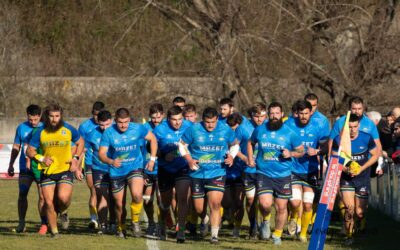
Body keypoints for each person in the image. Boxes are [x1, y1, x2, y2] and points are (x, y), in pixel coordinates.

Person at [179, 107, 239, 244]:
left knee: (215, 203)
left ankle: (214, 235)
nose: (210, 125)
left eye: (212, 122)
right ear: (203, 120)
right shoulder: (194, 129)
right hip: (197, 172)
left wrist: (232, 156)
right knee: (199, 208)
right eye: (207, 122)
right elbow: (181, 145)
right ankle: (205, 218)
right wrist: (189, 159)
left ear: (217, 119)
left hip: (217, 172)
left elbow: (235, 144)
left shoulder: (225, 129)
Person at [247, 102, 304, 245]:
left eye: (276, 113)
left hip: (283, 175)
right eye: (271, 113)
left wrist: (290, 153)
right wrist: (250, 158)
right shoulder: (260, 130)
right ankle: (265, 220)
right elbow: (250, 143)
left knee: (281, 207)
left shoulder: (290, 132)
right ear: (268, 114)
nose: (273, 116)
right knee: (265, 204)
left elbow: (301, 151)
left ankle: (277, 234)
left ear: (282, 114)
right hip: (263, 172)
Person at [98, 108, 157, 238]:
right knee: (119, 205)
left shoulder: (138, 129)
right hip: (117, 171)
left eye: (125, 122)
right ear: (115, 121)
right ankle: (121, 227)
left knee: (137, 195)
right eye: (120, 122)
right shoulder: (108, 133)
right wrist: (110, 161)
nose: (123, 125)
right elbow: (101, 153)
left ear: (129, 119)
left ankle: (135, 222)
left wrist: (152, 160)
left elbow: (153, 139)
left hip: (134, 167)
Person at [27, 104, 84, 238]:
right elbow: (29, 150)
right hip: (47, 172)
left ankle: (63, 211)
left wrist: (75, 158)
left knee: (63, 198)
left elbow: (80, 142)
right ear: (47, 116)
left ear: (61, 116)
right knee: (48, 202)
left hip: (65, 169)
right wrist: (41, 158)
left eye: (57, 116)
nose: (54, 119)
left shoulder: (68, 129)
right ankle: (54, 231)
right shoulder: (40, 131)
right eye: (51, 116)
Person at [331, 114, 379, 245]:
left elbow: (375, 155)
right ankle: (349, 235)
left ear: (359, 125)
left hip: (362, 178)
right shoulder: (338, 140)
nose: (352, 130)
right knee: (349, 208)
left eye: (355, 126)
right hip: (346, 178)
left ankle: (360, 223)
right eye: (350, 127)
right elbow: (334, 160)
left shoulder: (366, 138)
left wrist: (362, 168)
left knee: (359, 212)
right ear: (346, 126)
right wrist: (346, 170)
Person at [285, 101, 329, 242]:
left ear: (311, 113)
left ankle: (303, 234)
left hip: (310, 170)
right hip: (293, 169)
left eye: (306, 113)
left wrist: (316, 151)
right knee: (295, 203)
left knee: (308, 204)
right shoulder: (289, 126)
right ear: (297, 113)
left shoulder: (318, 127)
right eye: (301, 113)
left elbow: (326, 147)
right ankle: (293, 217)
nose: (303, 116)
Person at [154, 106, 192, 243]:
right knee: (166, 202)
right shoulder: (159, 130)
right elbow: (151, 148)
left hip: (183, 168)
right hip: (165, 170)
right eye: (174, 120)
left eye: (180, 119)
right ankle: (162, 223)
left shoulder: (189, 126)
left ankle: (180, 230)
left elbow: (193, 145)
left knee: (182, 198)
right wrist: (163, 154)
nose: (177, 123)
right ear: (168, 119)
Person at [8, 104, 47, 234]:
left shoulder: (46, 128)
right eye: (30, 119)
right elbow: (16, 146)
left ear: (40, 116)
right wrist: (11, 164)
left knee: (43, 196)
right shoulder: (21, 128)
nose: (33, 122)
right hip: (25, 168)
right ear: (27, 116)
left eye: (35, 120)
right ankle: (21, 223)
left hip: (41, 168)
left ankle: (44, 223)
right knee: (22, 194)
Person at [85, 110, 114, 234]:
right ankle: (103, 224)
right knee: (101, 195)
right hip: (98, 169)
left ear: (111, 121)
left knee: (115, 198)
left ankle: (114, 222)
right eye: (102, 125)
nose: (104, 127)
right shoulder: (92, 134)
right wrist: (88, 170)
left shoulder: (117, 132)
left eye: (107, 124)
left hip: (115, 169)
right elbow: (88, 153)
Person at [79, 101, 105, 229]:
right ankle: (94, 219)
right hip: (90, 163)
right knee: (94, 191)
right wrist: (78, 167)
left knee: (106, 193)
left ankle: (106, 219)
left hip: (106, 165)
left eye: (99, 115)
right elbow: (81, 147)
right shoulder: (85, 127)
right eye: (95, 114)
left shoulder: (110, 127)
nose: (97, 117)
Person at [142, 103, 164, 239]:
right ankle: (151, 223)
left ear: (163, 115)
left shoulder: (167, 127)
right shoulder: (143, 129)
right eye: (153, 118)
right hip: (147, 170)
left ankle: (162, 225)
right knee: (147, 200)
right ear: (149, 116)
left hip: (163, 170)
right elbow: (139, 149)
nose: (156, 120)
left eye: (158, 117)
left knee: (162, 200)